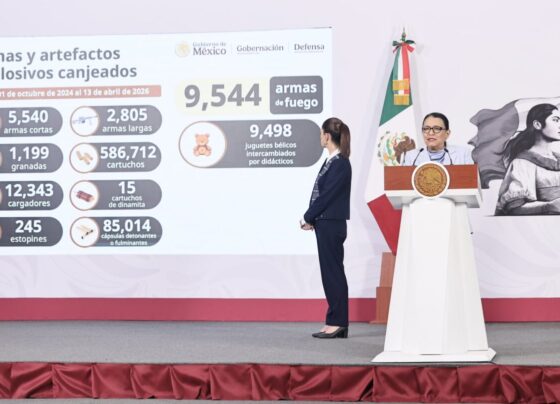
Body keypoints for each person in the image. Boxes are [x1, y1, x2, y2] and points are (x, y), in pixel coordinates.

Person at [301, 117, 352, 339]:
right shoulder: (331, 161)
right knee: (329, 273)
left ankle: (338, 322)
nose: (320, 137)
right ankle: (333, 320)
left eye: (321, 133)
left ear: (327, 136)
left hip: (331, 223)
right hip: (325, 222)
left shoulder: (340, 162)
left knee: (333, 273)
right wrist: (313, 218)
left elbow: (327, 196)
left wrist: (307, 216)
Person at [496, 103, 560, 215]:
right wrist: (549, 206)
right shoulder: (522, 163)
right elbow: (515, 208)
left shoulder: (556, 158)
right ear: (537, 124)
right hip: (541, 224)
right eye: (555, 120)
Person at [401, 112, 474, 166]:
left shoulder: (463, 154)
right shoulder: (411, 156)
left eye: (436, 129)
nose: (431, 133)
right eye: (426, 128)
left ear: (447, 133)